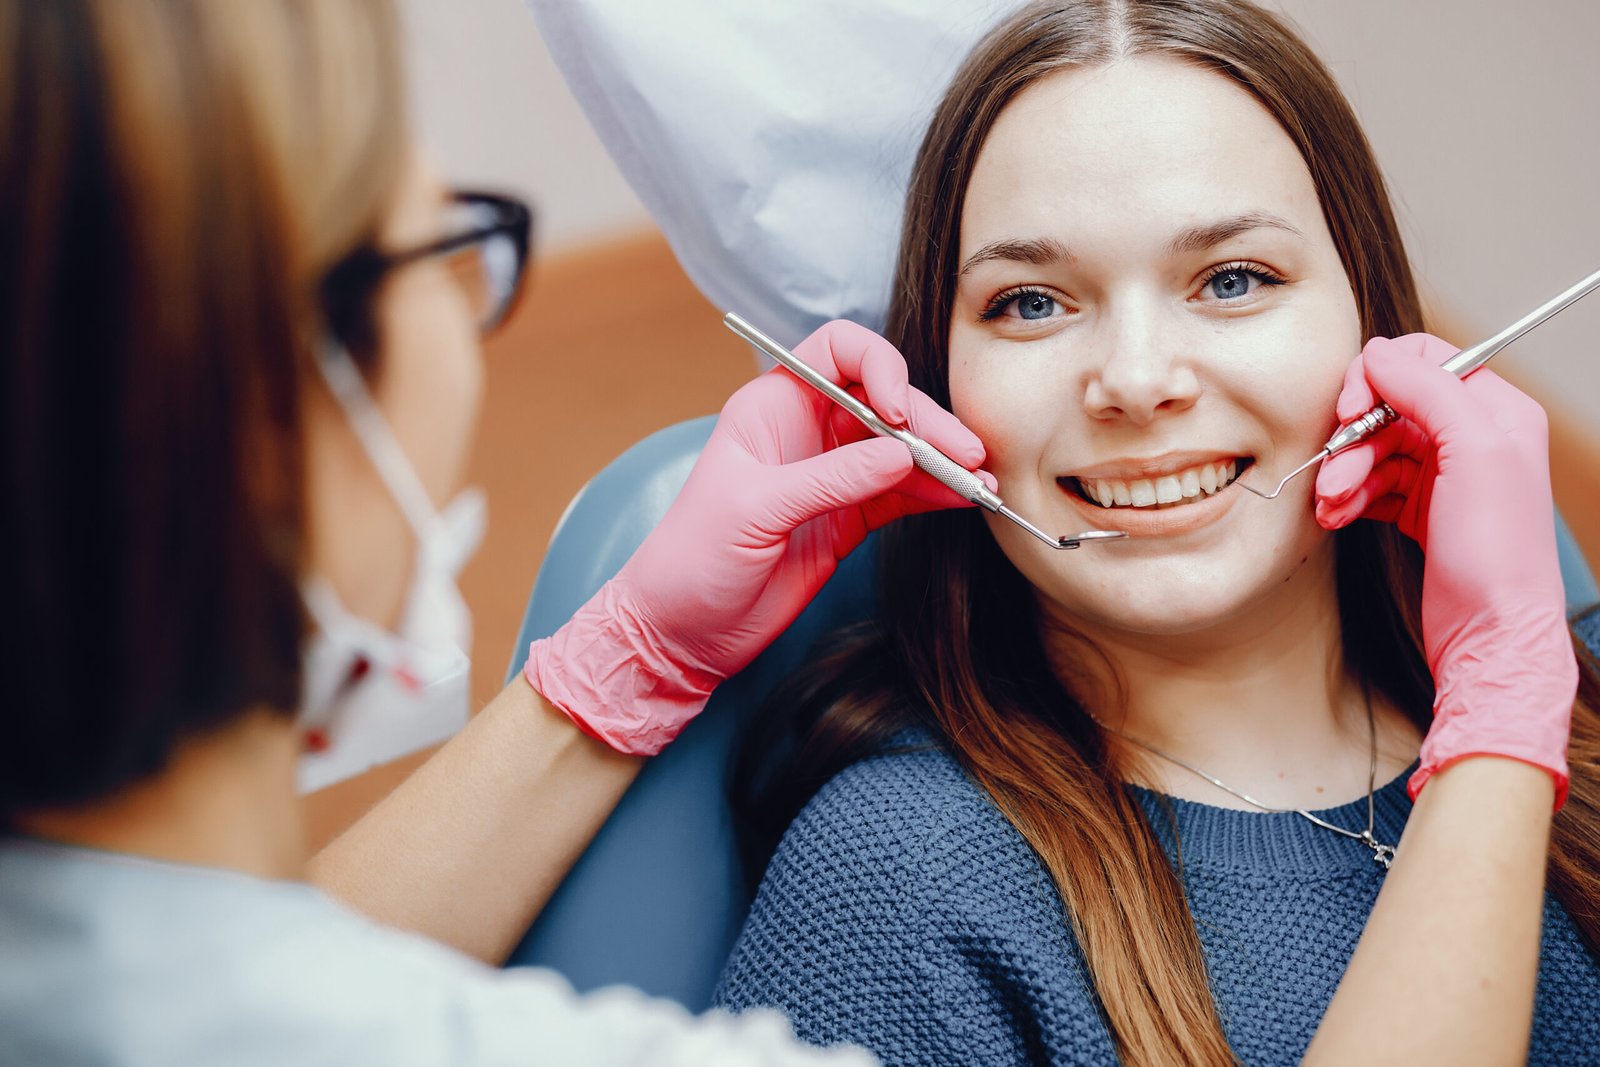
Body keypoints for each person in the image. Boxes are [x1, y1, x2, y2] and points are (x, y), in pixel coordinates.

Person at [714, 2, 1600, 1064]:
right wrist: (1498, 735)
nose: (1135, 380)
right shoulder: (892, 883)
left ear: (1375, 333)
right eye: (1031, 302)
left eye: (1233, 280)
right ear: (936, 389)